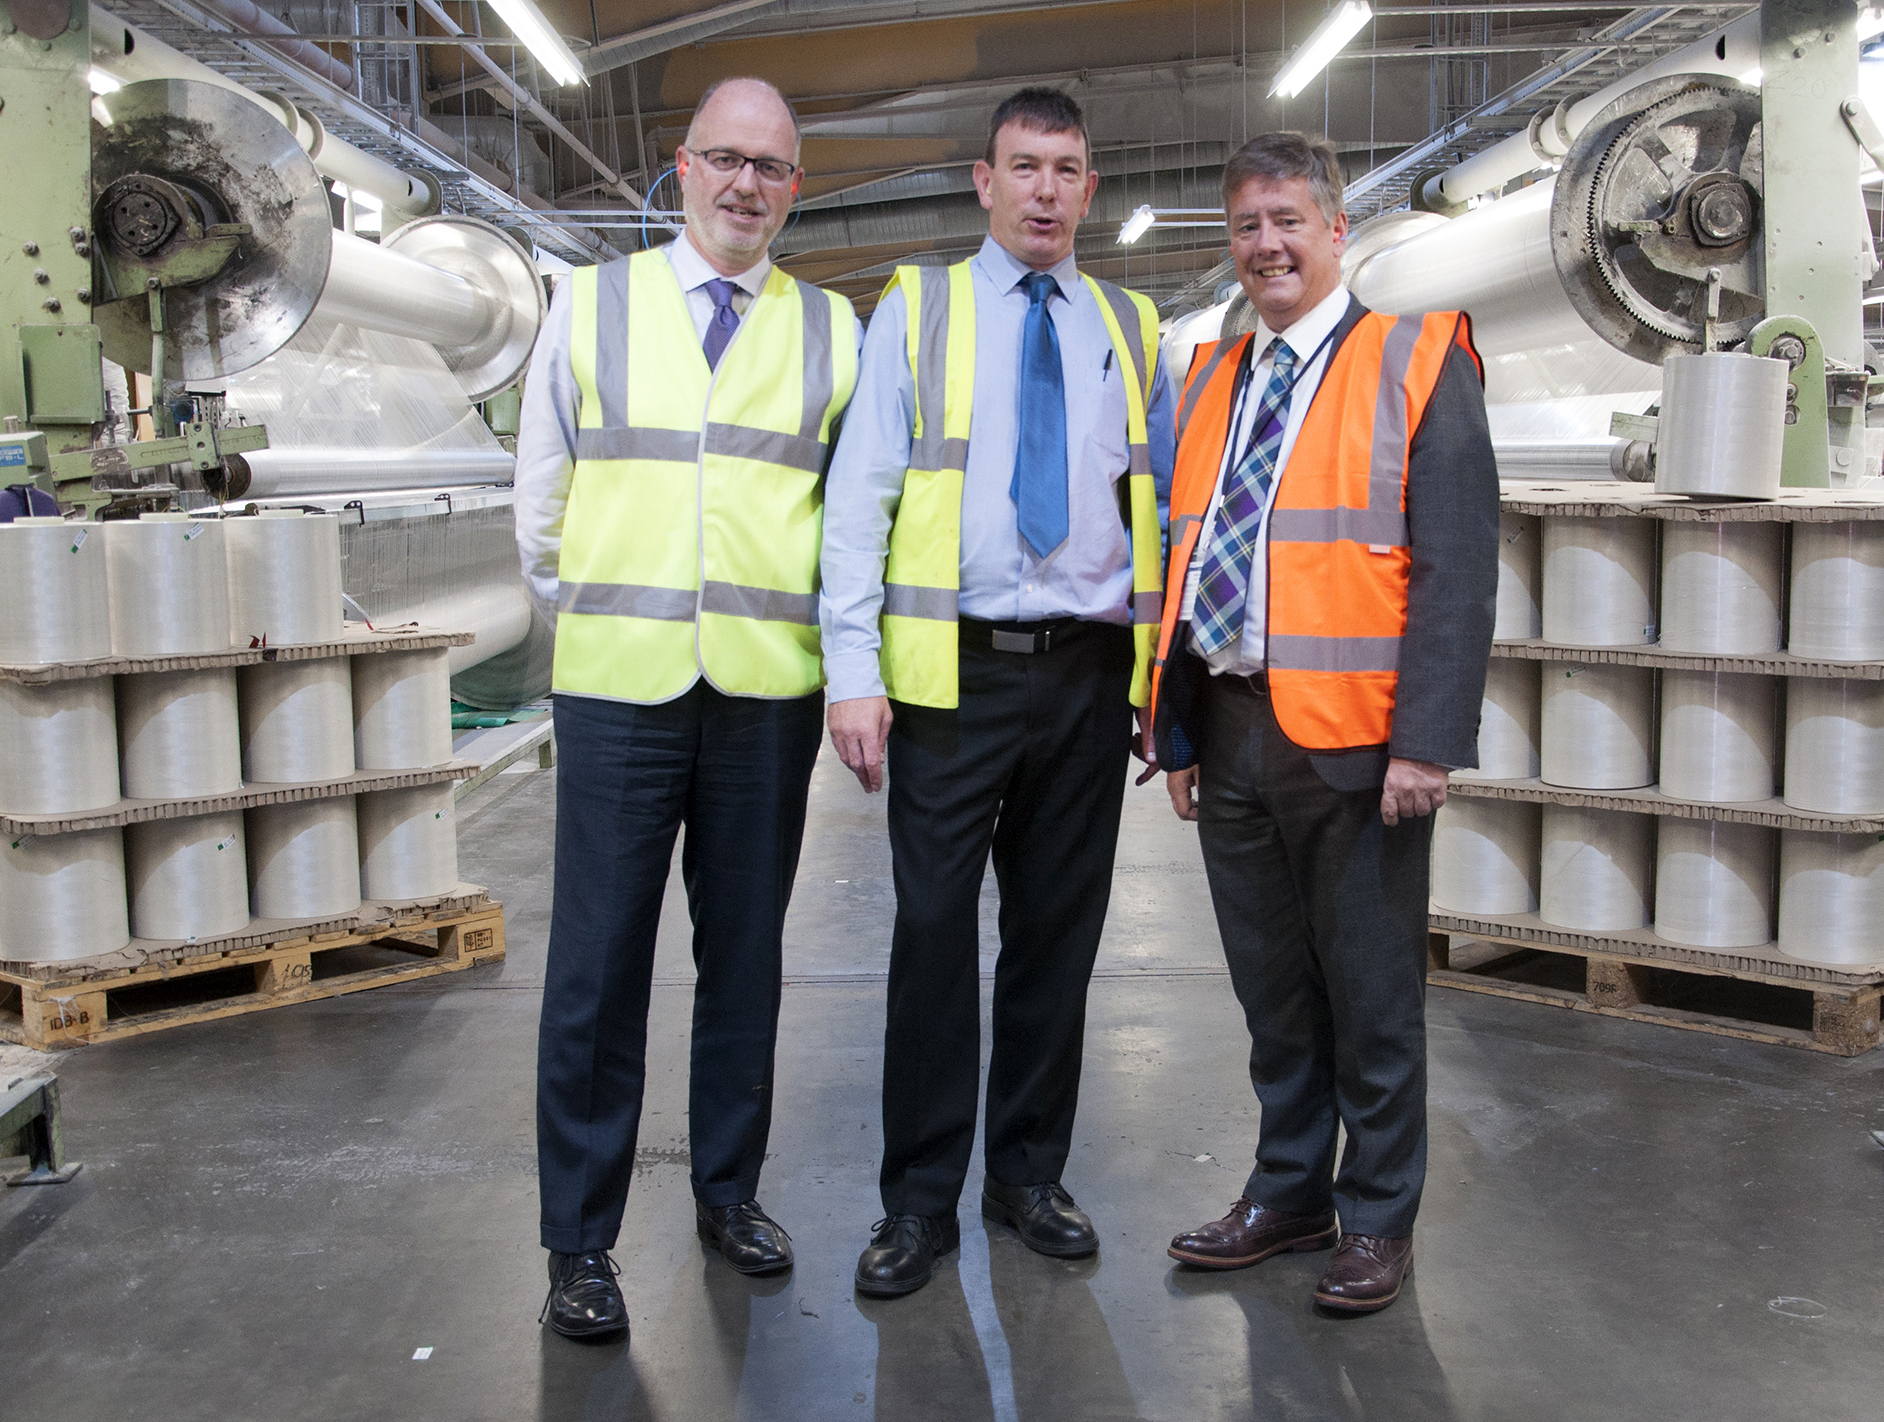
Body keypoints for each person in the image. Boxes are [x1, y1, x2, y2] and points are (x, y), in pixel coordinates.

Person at [514, 76, 861, 1340]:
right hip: (618, 688)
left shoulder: (833, 329)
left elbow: (846, 514)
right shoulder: (591, 302)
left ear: (795, 188)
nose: (744, 186)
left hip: (764, 694)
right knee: (596, 975)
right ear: (679, 168)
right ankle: (580, 1243)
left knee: (746, 964)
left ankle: (728, 1193)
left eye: (770, 168)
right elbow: (542, 502)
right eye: (724, 160)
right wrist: (601, 619)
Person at [818, 86, 1177, 1298]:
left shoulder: (1129, 324)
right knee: (930, 941)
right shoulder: (916, 309)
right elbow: (860, 496)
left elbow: (1160, 516)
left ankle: (1027, 1175)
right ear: (982, 182)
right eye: (1021, 167)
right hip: (951, 679)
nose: (1042, 191)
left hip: (1084, 677)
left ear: (1088, 188)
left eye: (1065, 169)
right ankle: (917, 1203)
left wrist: (1155, 681)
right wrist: (854, 674)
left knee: (1054, 942)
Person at [1151, 131, 1497, 1315]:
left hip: (1355, 739)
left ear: (1336, 230)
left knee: (1368, 991)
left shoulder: (1415, 357)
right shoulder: (1209, 376)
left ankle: (1376, 1215)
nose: (1265, 245)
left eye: (1286, 221)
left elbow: (1457, 564)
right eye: (1246, 226)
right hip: (1234, 723)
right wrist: (1177, 730)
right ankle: (1289, 1189)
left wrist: (1426, 739)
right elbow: (1184, 552)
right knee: (1271, 991)